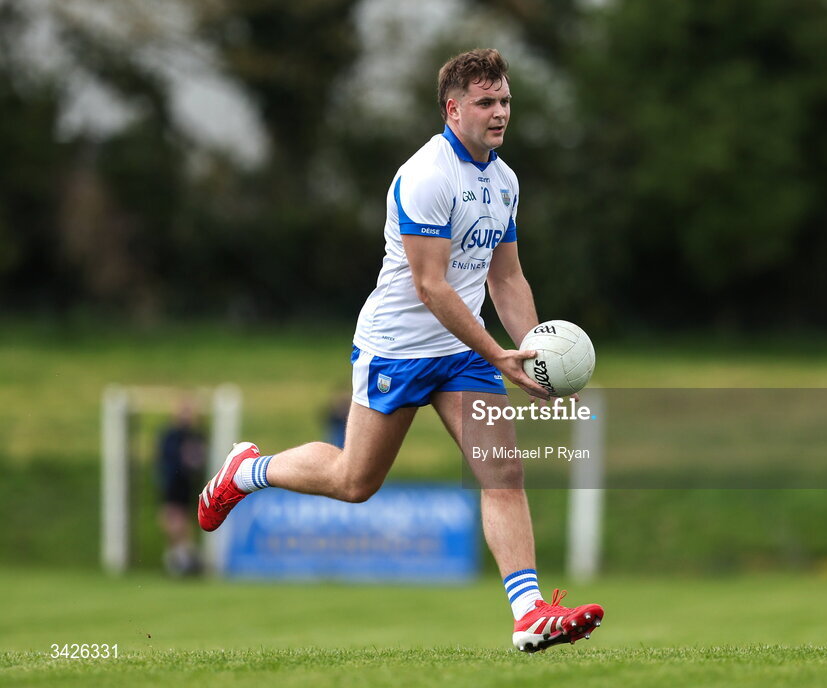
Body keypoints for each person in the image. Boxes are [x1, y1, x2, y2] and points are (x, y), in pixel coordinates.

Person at [198, 48, 603, 651]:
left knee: (503, 473)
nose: (500, 114)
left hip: (465, 353)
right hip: (398, 348)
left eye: (506, 101)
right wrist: (498, 353)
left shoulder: (503, 179)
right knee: (355, 480)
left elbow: (507, 278)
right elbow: (430, 285)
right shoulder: (427, 175)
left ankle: (529, 614)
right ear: (454, 107)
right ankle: (248, 470)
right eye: (487, 102)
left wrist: (531, 351)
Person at [157, 396, 207, 576]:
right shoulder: (170, 435)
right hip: (172, 484)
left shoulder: (196, 435)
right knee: (173, 518)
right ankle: (179, 557)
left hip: (189, 485)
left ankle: (184, 557)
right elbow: (165, 460)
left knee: (186, 521)